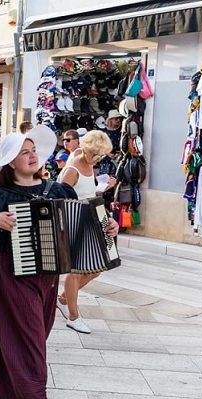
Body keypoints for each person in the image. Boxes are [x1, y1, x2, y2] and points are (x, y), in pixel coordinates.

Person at [0, 126, 117, 399]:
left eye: (33, 151)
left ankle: (4, 366)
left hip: (49, 274)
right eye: (24, 152)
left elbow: (82, 222)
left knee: (37, 332)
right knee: (28, 335)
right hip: (11, 271)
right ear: (11, 161)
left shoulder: (57, 190)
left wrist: (107, 227)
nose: (32, 156)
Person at [57, 130, 116, 334]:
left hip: (91, 220)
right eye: (96, 154)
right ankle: (73, 316)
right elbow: (59, 199)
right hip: (74, 224)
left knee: (96, 268)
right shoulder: (72, 169)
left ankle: (64, 298)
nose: (98, 159)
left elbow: (88, 193)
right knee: (76, 271)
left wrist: (102, 194)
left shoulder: (89, 163)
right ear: (87, 149)